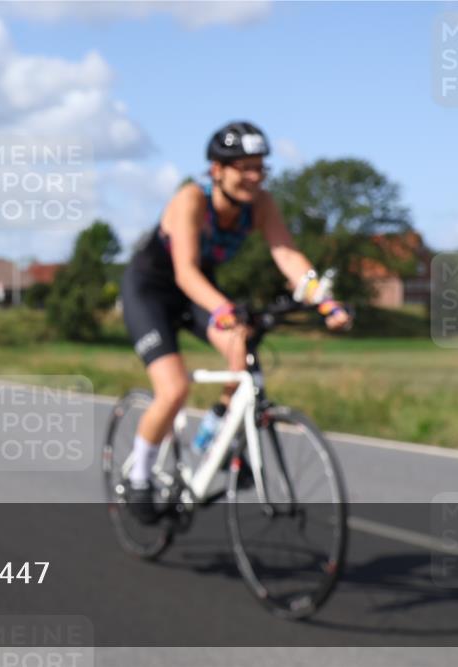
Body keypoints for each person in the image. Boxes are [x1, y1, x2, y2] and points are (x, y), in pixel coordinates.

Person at [120, 121, 352, 523]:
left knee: (240, 350)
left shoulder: (261, 204)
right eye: (245, 168)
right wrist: (225, 309)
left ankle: (212, 436)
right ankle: (139, 476)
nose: (255, 177)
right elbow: (185, 272)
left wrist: (324, 300)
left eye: (260, 168)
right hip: (152, 290)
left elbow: (288, 256)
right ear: (217, 170)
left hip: (199, 290)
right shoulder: (191, 199)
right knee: (174, 389)